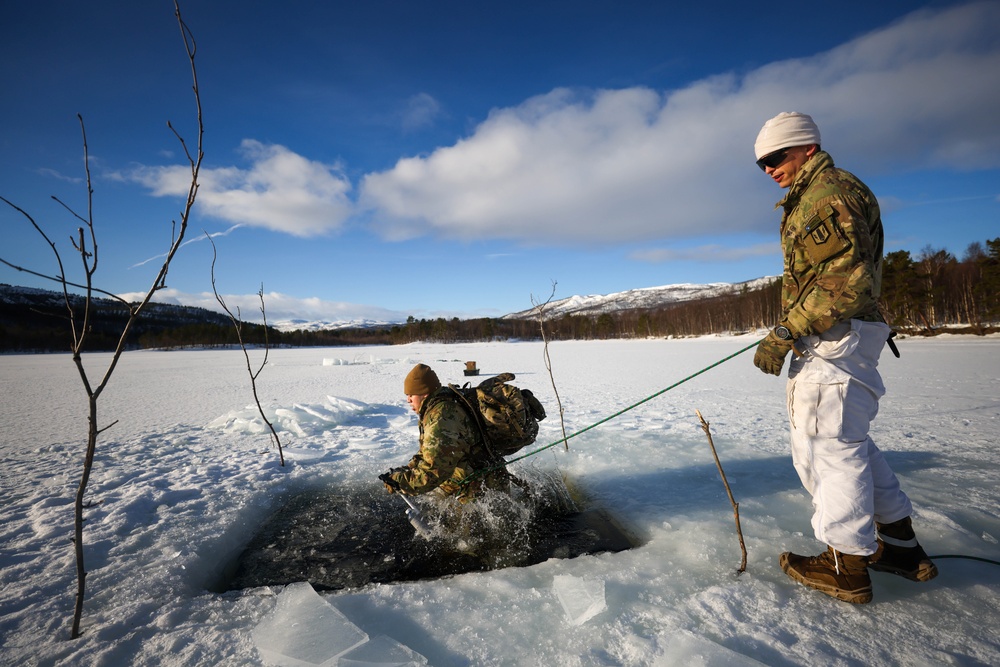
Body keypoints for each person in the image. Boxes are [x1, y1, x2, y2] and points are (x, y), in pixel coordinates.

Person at [752, 112, 937, 604]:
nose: (769, 168)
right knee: (851, 443)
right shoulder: (816, 195)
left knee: (827, 447)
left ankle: (846, 565)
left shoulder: (825, 195)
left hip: (833, 340)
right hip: (838, 337)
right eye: (761, 163)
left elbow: (850, 278)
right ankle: (900, 547)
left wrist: (787, 329)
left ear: (807, 148)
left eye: (777, 157)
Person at [379, 363, 511, 503]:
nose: (408, 400)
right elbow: (430, 452)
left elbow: (434, 472)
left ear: (424, 393)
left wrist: (400, 481)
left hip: (480, 488)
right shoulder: (442, 404)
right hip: (485, 477)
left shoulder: (441, 418)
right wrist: (408, 469)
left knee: (461, 522)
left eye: (411, 395)